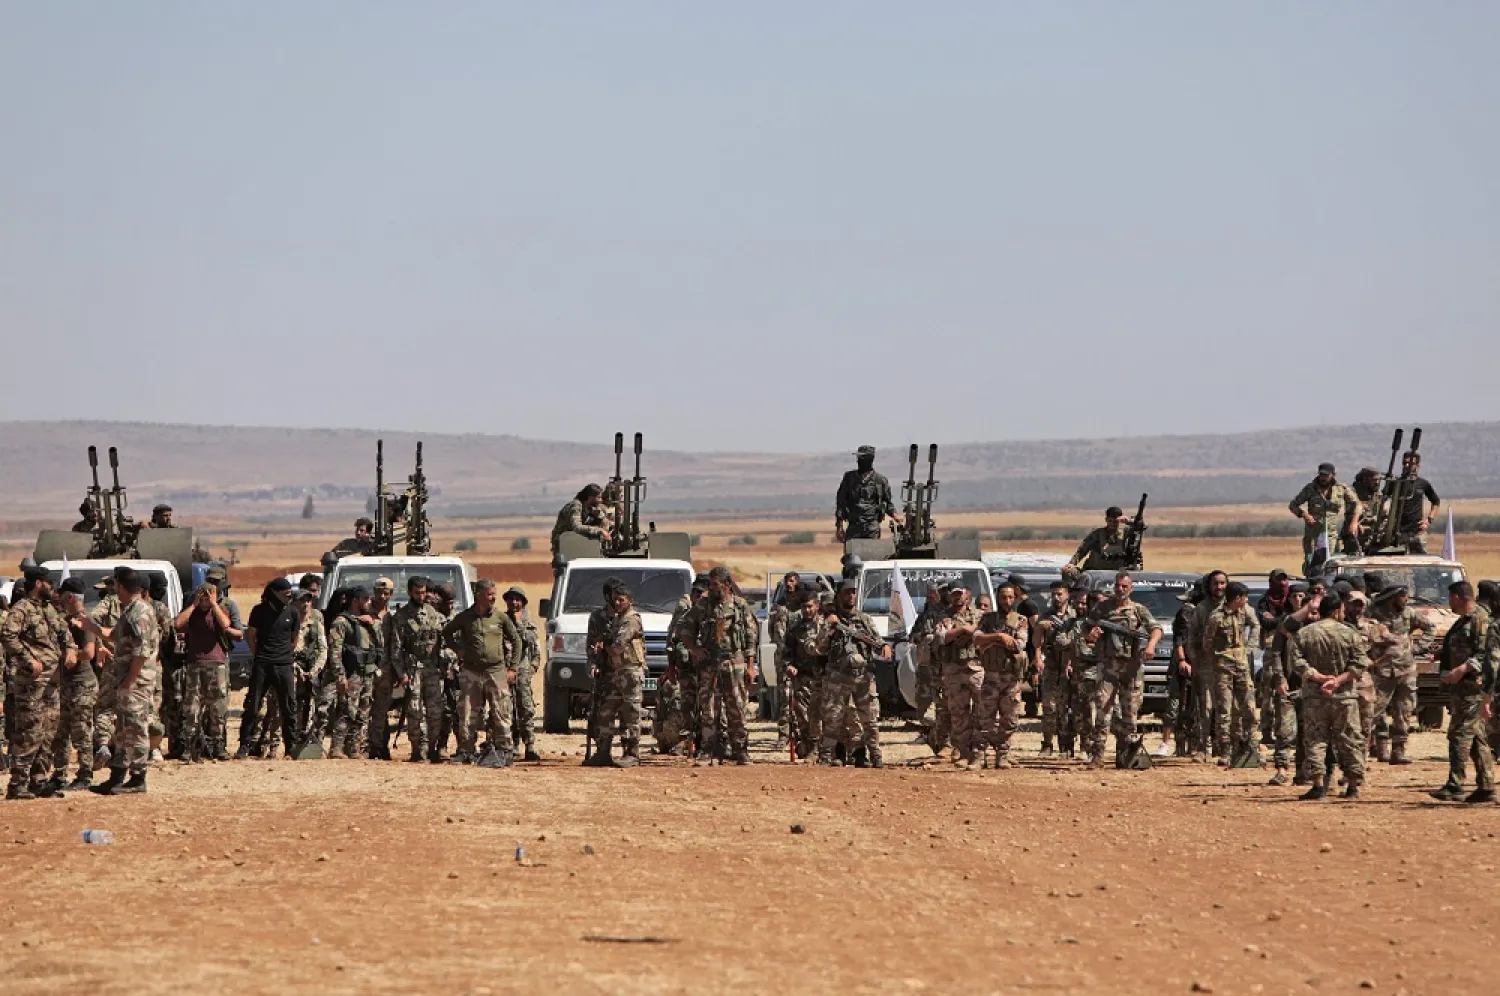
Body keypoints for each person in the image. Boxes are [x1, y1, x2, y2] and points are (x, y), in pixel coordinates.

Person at [2, 567, 74, 799]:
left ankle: (39, 780)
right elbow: (8, 636)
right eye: (48, 582)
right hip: (31, 682)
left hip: (52, 681)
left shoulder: (49, 608)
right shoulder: (21, 609)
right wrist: (28, 659)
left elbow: (64, 632)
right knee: (30, 730)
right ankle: (18, 783)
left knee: (49, 731)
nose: (52, 586)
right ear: (38, 583)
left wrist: (70, 650)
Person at [1289, 595, 1368, 800]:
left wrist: (1318, 677)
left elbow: (1296, 662)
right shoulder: (1350, 634)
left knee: (1316, 739)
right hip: (1345, 697)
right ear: (1336, 611)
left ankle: (1318, 785)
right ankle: (1352, 786)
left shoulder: (1304, 634)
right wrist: (1338, 681)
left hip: (1315, 698)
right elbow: (1360, 664)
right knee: (1350, 740)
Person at [93, 568, 159, 795]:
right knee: (122, 729)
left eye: (115, 585)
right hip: (125, 681)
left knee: (136, 728)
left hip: (136, 682)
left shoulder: (140, 613)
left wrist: (130, 682)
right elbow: (115, 635)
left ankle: (138, 778)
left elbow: (141, 652)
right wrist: (91, 627)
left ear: (121, 586)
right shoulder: (129, 610)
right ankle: (117, 776)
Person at [682, 566, 758, 765]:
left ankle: (740, 750)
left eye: (715, 585)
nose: (711, 588)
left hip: (735, 662)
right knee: (709, 709)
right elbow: (685, 628)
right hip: (710, 664)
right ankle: (708, 749)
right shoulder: (703, 606)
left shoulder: (740, 606)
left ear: (726, 585)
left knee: (737, 708)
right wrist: (695, 649)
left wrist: (750, 666)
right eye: (710, 584)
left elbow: (751, 638)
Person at [1087, 572, 1162, 768]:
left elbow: (1156, 628)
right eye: (1117, 586)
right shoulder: (1102, 608)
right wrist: (1092, 635)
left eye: (1124, 586)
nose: (1120, 589)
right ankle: (1097, 755)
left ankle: (1126, 755)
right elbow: (1087, 629)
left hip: (1131, 668)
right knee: (1103, 710)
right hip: (1108, 667)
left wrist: (1151, 645)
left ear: (1131, 588)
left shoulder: (1138, 610)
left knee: (1130, 713)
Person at [443, 580, 520, 768]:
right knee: (468, 712)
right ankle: (466, 751)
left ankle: (504, 751)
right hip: (472, 672)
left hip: (496, 671)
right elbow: (447, 633)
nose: (493, 598)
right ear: (478, 595)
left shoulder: (500, 618)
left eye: (494, 594)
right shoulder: (465, 617)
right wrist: (458, 649)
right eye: (489, 594)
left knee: (501, 712)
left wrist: (513, 668)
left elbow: (516, 641)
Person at [813, 579, 888, 767]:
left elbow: (877, 642)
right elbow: (819, 648)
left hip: (863, 677)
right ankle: (827, 755)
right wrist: (829, 627)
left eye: (853, 592)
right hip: (837, 676)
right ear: (839, 596)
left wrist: (884, 647)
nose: (851, 596)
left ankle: (875, 755)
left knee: (869, 719)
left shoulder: (864, 620)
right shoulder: (830, 620)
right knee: (833, 718)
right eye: (847, 592)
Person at [1430, 581, 1494, 803]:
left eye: (1450, 597)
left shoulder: (1480, 619)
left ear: (1457, 596)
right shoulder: (1463, 621)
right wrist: (1442, 654)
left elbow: (1485, 653)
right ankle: (1486, 785)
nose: (1449, 602)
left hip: (1472, 687)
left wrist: (1462, 669)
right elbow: (1463, 646)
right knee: (1476, 737)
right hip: (1462, 688)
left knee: (1459, 734)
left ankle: (1455, 785)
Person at [235, 578, 300, 761]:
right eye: (285, 594)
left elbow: (294, 639)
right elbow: (250, 635)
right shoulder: (259, 611)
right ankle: (244, 746)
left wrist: (284, 655)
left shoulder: (293, 612)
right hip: (262, 664)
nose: (289, 597)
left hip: (284, 665)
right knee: (253, 705)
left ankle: (291, 747)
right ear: (274, 593)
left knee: (288, 707)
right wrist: (258, 654)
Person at [386, 576, 448, 762]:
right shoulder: (401, 617)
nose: (421, 596)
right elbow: (396, 649)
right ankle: (417, 749)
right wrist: (402, 674)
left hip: (433, 669)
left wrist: (445, 663)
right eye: (417, 593)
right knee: (414, 711)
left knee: (435, 711)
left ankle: (432, 747)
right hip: (413, 670)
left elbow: (444, 641)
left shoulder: (434, 614)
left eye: (423, 592)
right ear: (409, 593)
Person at [1366, 585, 1430, 764]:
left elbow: (1429, 627)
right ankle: (1378, 748)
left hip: (1406, 669)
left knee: (1404, 710)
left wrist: (1419, 648)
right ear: (1392, 598)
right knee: (1375, 710)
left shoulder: (1409, 613)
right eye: (1403, 596)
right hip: (1382, 670)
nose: (1406, 600)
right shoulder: (1375, 613)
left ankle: (1398, 751)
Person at [46, 578, 97, 793]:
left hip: (81, 685)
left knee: (81, 731)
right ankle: (59, 774)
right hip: (67, 684)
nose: (58, 598)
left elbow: (89, 652)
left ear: (70, 597)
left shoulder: (83, 620)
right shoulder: (67, 620)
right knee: (61, 732)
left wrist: (70, 655)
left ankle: (85, 774)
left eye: (62, 595)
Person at [589, 584, 648, 767]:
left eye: (621, 599)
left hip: (630, 672)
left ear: (629, 601)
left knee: (631, 713)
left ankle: (632, 753)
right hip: (616, 672)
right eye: (615, 599)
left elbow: (618, 646)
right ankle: (603, 752)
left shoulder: (631, 620)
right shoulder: (616, 619)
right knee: (606, 711)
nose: (617, 602)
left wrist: (603, 646)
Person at [174, 582, 233, 763]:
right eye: (203, 595)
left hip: (217, 664)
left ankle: (218, 745)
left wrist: (214, 604)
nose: (206, 599)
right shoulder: (192, 612)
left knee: (218, 706)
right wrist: (194, 604)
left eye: (209, 595)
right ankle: (189, 746)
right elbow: (177, 624)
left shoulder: (219, 611)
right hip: (195, 664)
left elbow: (226, 624)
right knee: (192, 707)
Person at [1201, 581, 1258, 764]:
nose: (1246, 600)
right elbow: (1207, 642)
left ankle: (1250, 747)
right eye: (1244, 597)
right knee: (1224, 709)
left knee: (1248, 706)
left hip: (1241, 665)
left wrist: (1249, 648)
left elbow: (1256, 625)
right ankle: (1225, 751)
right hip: (1223, 667)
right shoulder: (1216, 617)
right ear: (1237, 598)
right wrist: (1217, 658)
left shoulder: (1245, 611)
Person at [975, 583, 1030, 768]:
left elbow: (1018, 645)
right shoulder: (987, 619)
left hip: (1010, 679)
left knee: (1009, 719)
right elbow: (977, 639)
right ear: (997, 598)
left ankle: (1003, 754)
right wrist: (999, 637)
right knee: (984, 719)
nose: (1006, 601)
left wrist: (990, 642)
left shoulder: (1020, 620)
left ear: (1015, 599)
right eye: (1003, 597)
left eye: (1010, 597)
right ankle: (980, 755)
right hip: (990, 676)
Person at [325, 587, 380, 760]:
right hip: (351, 673)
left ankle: (353, 747)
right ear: (355, 601)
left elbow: (379, 645)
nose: (369, 602)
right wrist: (340, 676)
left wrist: (373, 625)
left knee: (363, 712)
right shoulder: (341, 622)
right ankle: (337, 748)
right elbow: (335, 651)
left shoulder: (367, 621)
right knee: (347, 710)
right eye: (365, 599)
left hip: (367, 671)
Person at [937, 585, 984, 769]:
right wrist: (964, 629)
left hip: (976, 668)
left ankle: (979, 753)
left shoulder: (979, 615)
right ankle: (963, 752)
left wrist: (968, 630)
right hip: (954, 670)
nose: (957, 598)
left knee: (982, 712)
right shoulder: (944, 616)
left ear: (967, 595)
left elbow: (983, 634)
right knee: (958, 714)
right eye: (954, 595)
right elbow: (943, 637)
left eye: (960, 594)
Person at [202, 565, 243, 760]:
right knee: (198, 703)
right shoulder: (196, 602)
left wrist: (221, 622)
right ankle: (200, 744)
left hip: (220, 658)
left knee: (219, 703)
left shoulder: (228, 605)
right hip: (199, 659)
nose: (213, 585)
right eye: (210, 581)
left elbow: (239, 633)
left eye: (217, 582)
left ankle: (219, 744)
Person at [1289, 463, 1360, 572]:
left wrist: (1354, 522)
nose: (1322, 478)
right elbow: (1293, 505)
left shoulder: (1341, 488)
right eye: (1321, 475)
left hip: (1330, 534)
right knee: (1312, 563)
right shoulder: (1310, 488)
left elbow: (1357, 504)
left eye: (1326, 475)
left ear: (1333, 475)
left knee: (1328, 563)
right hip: (1313, 534)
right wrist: (1304, 514)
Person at [1033, 581, 1076, 758]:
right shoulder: (1046, 615)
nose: (1056, 598)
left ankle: (1066, 745)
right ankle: (1047, 744)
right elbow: (1037, 641)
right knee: (1049, 706)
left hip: (1069, 666)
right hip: (1051, 665)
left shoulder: (1074, 615)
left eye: (1059, 594)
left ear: (1067, 594)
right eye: (1053, 594)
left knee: (1066, 708)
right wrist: (1037, 659)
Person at [504, 587, 542, 762]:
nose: (514, 603)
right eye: (511, 599)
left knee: (526, 709)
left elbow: (536, 651)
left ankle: (530, 745)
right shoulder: (501, 621)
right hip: (505, 671)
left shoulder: (529, 625)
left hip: (523, 672)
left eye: (517, 600)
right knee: (507, 709)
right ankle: (512, 745)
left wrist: (531, 668)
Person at [834, 446, 901, 542]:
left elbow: (887, 503)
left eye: (862, 458)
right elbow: (841, 502)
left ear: (870, 460)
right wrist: (839, 526)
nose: (859, 461)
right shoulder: (849, 478)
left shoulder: (880, 480)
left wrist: (895, 515)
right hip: (854, 527)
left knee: (872, 550)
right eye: (858, 458)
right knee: (852, 551)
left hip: (872, 528)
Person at [767, 573, 801, 752]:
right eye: (787, 581)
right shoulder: (778, 607)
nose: (789, 584)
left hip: (800, 657)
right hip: (781, 657)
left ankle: (800, 733)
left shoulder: (802, 607)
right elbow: (771, 629)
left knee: (801, 696)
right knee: (784, 696)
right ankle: (784, 735)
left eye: (792, 581)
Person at [1064, 507, 1137, 579]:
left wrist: (1129, 522)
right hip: (1094, 574)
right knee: (1068, 572)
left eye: (1115, 521)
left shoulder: (1125, 535)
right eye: (1110, 521)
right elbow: (1082, 550)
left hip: (1116, 574)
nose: (1113, 524)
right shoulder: (1098, 534)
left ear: (1120, 521)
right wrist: (1072, 563)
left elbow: (1140, 527)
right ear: (1106, 520)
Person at [1393, 451, 1441, 554]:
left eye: (1411, 463)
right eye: (1405, 463)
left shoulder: (1423, 484)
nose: (1407, 466)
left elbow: (1436, 501)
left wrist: (1429, 520)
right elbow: (1383, 499)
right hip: (1398, 532)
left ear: (1417, 466)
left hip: (1417, 531)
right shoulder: (1396, 483)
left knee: (1420, 559)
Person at [550, 485, 612, 560]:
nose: (601, 500)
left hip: (577, 542)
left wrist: (599, 516)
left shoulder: (590, 507)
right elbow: (577, 527)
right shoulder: (576, 506)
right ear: (590, 497)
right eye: (598, 497)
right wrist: (600, 531)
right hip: (564, 544)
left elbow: (605, 524)